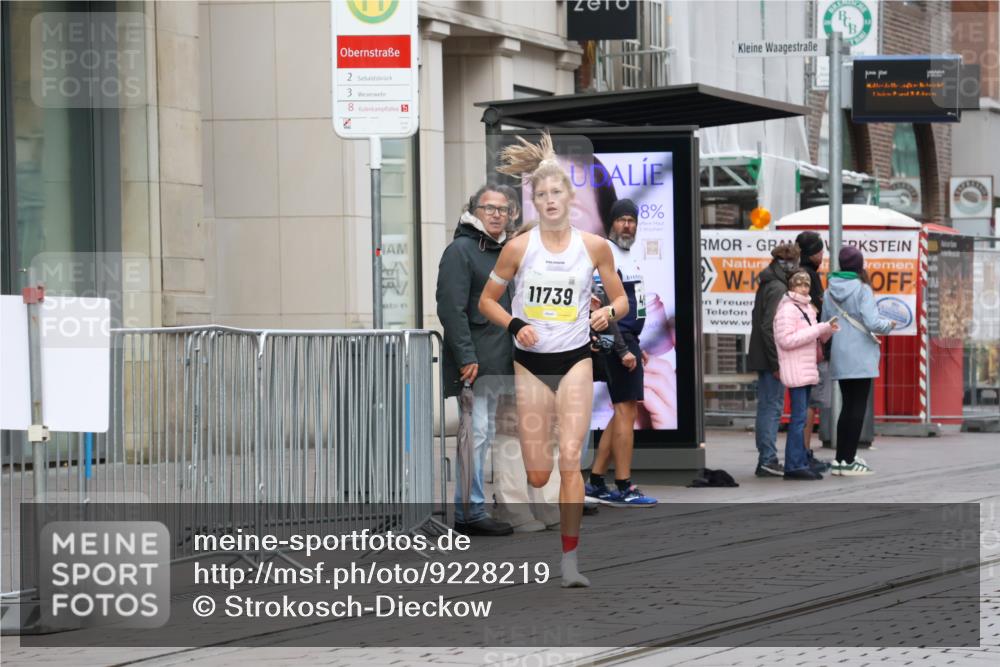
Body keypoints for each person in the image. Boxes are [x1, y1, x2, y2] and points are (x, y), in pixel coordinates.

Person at [480, 133, 629, 587]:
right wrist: (514, 325)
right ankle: (541, 489)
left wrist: (605, 312)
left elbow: (621, 302)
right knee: (539, 469)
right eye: (540, 194)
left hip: (576, 361)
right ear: (534, 201)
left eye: (556, 193)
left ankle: (569, 563)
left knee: (568, 462)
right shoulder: (519, 249)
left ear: (569, 197)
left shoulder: (594, 246)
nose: (549, 200)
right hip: (530, 365)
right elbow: (487, 300)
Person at [436, 185, 516, 536]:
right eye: (489, 208)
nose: (497, 214)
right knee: (476, 434)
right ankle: (470, 512)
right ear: (474, 211)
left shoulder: (501, 251)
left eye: (503, 209)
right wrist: (466, 356)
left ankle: (472, 507)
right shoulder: (461, 251)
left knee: (484, 434)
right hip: (475, 363)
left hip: (498, 362)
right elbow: (450, 309)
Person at [585, 198, 657, 506]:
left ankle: (598, 480)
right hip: (619, 340)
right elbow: (603, 307)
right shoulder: (606, 254)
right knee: (626, 413)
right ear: (610, 223)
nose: (627, 225)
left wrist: (634, 345)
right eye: (621, 219)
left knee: (622, 412)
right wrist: (622, 346)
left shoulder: (629, 254)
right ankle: (624, 485)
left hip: (629, 340)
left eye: (632, 220)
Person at [822, 246, 896, 476]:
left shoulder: (829, 290)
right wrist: (888, 326)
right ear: (859, 265)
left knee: (846, 406)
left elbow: (826, 323)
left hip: (840, 353)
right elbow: (873, 322)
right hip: (861, 354)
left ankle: (840, 460)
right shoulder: (862, 289)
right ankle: (850, 460)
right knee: (857, 407)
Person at [774, 271, 838, 480]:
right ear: (791, 287)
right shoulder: (787, 310)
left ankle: (800, 461)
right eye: (799, 285)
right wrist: (819, 328)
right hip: (796, 369)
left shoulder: (807, 308)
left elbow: (812, 338)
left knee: (801, 418)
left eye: (806, 285)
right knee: (799, 419)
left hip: (806, 367)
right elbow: (786, 340)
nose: (804, 288)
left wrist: (826, 330)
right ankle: (793, 465)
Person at [747, 242, 801, 477]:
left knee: (769, 406)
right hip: (771, 358)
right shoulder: (778, 287)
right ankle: (767, 459)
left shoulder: (770, 281)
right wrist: (776, 362)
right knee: (772, 406)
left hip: (765, 355)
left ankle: (766, 458)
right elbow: (769, 326)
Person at [795, 231, 832, 473]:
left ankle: (803, 452)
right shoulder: (807, 277)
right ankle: (803, 452)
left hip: (811, 345)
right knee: (808, 403)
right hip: (812, 347)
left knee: (808, 403)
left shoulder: (805, 274)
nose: (822, 255)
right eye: (819, 251)